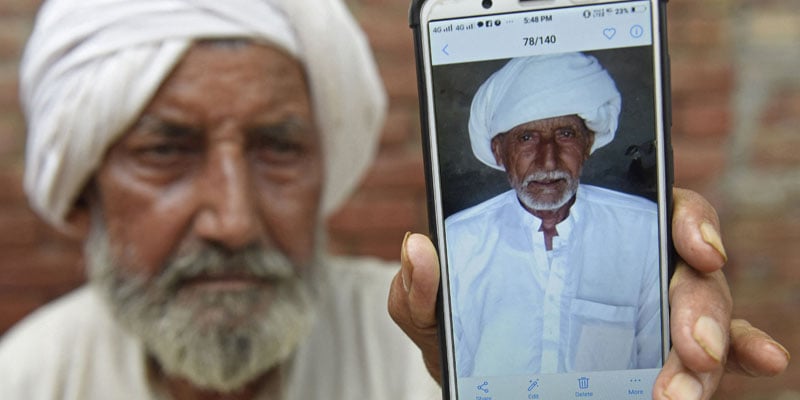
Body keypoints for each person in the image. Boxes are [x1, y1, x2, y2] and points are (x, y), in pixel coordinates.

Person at [0, 1, 789, 400]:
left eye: (279, 148)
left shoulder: (425, 352)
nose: (234, 219)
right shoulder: (28, 381)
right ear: (82, 191)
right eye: (165, 152)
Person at [445, 52, 662, 376]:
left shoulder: (645, 230)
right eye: (527, 137)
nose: (548, 161)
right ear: (499, 152)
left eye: (565, 134)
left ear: (588, 144)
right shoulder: (458, 242)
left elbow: (658, 372)